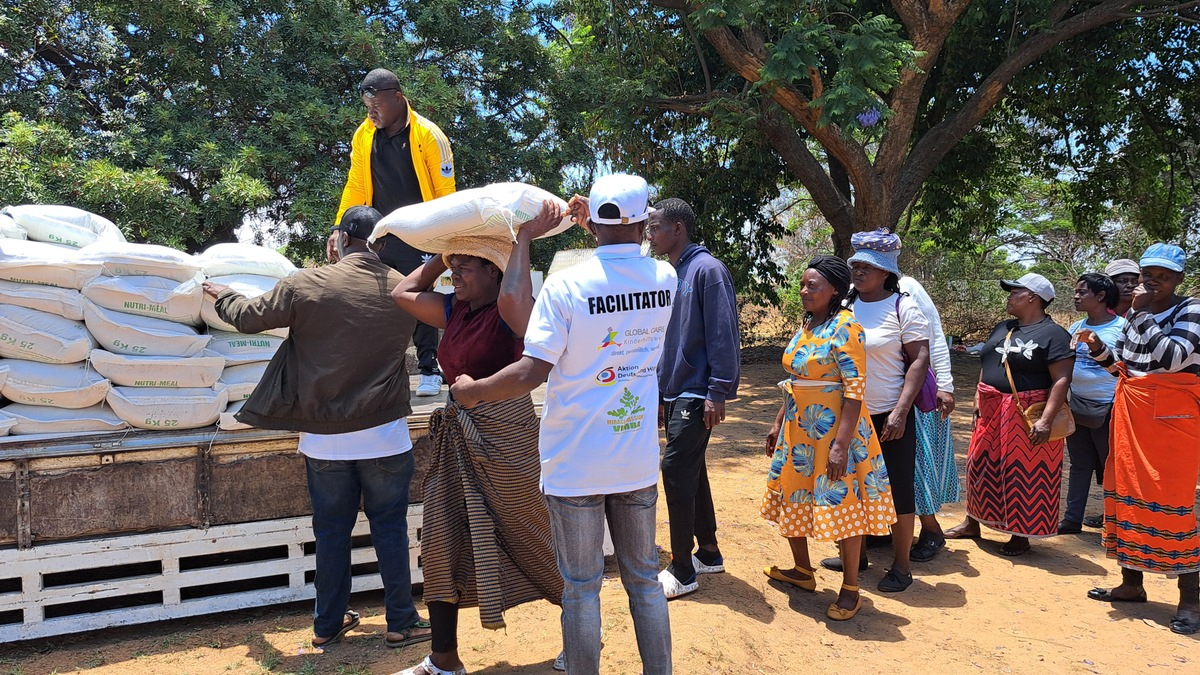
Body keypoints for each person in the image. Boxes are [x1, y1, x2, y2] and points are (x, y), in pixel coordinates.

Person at [450, 174, 674, 675]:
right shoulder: (665, 279)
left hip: (575, 461)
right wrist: (596, 222)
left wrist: (474, 390)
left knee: (581, 588)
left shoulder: (567, 286)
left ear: (590, 221)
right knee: (643, 579)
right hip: (634, 457)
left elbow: (533, 370)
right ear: (643, 221)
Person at [203, 206, 431, 649]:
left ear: (339, 240)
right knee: (389, 527)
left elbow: (248, 318)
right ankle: (401, 621)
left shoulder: (306, 284)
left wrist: (224, 295)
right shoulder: (405, 290)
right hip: (385, 434)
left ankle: (327, 623)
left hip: (325, 442)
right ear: (380, 243)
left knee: (330, 532)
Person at [388, 203, 565, 675]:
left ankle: (580, 626)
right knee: (442, 536)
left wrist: (521, 239)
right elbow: (404, 292)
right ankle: (444, 658)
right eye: (453, 269)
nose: (455, 276)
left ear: (494, 271)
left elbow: (511, 296)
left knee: (532, 531)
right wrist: (445, 252)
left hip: (507, 432)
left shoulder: (514, 311)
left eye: (466, 269)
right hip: (458, 433)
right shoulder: (454, 309)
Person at [761, 256, 897, 621]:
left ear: (835, 290)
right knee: (793, 493)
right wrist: (778, 423)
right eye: (803, 285)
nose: (805, 291)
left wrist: (840, 445)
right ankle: (802, 571)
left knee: (844, 505)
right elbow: (795, 381)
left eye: (813, 286)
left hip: (837, 434)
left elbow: (854, 390)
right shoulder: (807, 324)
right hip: (799, 431)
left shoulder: (846, 327)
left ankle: (851, 588)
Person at [1080, 242, 1200, 635]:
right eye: (1148, 275)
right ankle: (1132, 584)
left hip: (1173, 419)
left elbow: (1173, 358)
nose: (1152, 282)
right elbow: (1127, 369)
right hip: (1132, 414)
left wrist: (1143, 314)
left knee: (1172, 501)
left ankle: (1190, 600)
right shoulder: (1136, 313)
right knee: (1125, 492)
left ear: (1179, 279)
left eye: (1162, 277)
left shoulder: (1191, 310)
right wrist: (1100, 352)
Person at [333, 68, 456, 397]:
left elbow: (446, 192)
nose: (371, 114)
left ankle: (429, 368)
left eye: (377, 107)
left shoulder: (428, 135)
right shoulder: (364, 135)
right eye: (367, 107)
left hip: (420, 231)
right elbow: (356, 184)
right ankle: (382, 371)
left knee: (420, 297)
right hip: (380, 232)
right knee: (376, 300)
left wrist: (445, 237)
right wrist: (339, 226)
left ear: (398, 99)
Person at [821, 229, 929, 593]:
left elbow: (919, 361)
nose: (860, 271)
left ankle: (901, 566)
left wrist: (901, 411)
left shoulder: (903, 306)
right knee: (853, 487)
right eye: (856, 265)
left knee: (897, 491)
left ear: (887, 273)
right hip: (849, 416)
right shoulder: (844, 306)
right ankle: (857, 555)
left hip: (887, 416)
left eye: (869, 266)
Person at [645, 197, 741, 599]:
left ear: (678, 229)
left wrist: (718, 391)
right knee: (691, 467)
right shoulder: (673, 271)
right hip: (676, 389)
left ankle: (683, 569)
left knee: (676, 470)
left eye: (655, 227)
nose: (649, 234)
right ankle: (709, 551)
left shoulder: (707, 270)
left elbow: (723, 334)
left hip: (698, 391)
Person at [945, 273, 1074, 556]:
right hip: (991, 406)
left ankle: (1020, 533)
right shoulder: (1003, 327)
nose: (1009, 296)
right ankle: (973, 521)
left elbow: (1062, 379)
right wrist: (980, 395)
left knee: (1023, 470)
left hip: (1026, 410)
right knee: (980, 464)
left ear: (1033, 298)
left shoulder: (1054, 335)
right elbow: (988, 361)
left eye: (1015, 292)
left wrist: (1045, 420)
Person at [898, 275, 959, 562]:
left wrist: (945, 385)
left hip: (916, 393)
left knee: (918, 464)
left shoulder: (908, 288)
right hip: (877, 393)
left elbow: (934, 336)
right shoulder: (855, 293)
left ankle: (931, 529)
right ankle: (887, 531)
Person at [1058, 273, 1124, 535]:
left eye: (1082, 292)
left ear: (1100, 296)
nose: (1076, 296)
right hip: (1078, 406)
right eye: (1076, 292)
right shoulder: (1075, 327)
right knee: (1080, 463)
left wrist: (1096, 344)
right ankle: (1072, 519)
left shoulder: (1121, 328)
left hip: (1109, 406)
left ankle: (1115, 522)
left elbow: (1120, 369)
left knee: (1110, 466)